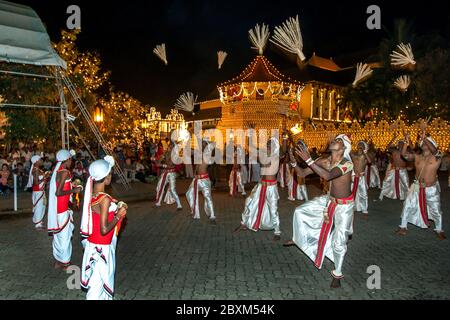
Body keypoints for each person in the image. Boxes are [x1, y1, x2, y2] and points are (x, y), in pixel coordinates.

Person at [284, 134, 354, 288]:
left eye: (338, 140)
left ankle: (337, 273)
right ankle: (299, 239)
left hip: (344, 206)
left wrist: (309, 160)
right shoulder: (323, 161)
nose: (334, 140)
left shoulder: (347, 164)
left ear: (344, 147)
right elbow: (302, 174)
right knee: (300, 211)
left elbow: (328, 176)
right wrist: (294, 161)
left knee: (339, 240)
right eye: (334, 139)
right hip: (328, 200)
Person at [80, 156, 127, 300]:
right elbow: (104, 229)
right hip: (102, 246)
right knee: (97, 284)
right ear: (107, 178)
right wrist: (118, 215)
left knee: (96, 282)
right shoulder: (104, 199)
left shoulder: (92, 194)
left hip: (93, 244)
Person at [396, 131, 445, 240]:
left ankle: (439, 229)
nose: (422, 143)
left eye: (425, 142)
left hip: (431, 189)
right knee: (407, 205)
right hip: (416, 187)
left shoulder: (437, 156)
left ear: (430, 144)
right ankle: (403, 226)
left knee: (435, 210)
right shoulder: (417, 156)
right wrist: (406, 140)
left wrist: (425, 138)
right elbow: (403, 155)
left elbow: (435, 151)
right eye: (422, 141)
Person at [235, 137, 283, 241]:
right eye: (268, 146)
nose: (268, 148)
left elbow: (266, 163)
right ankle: (244, 223)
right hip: (261, 185)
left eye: (271, 146)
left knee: (273, 209)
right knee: (249, 201)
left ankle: (277, 231)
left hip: (271, 187)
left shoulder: (275, 157)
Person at [47, 149, 82, 270]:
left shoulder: (59, 171)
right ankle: (65, 262)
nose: (71, 161)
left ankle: (58, 261)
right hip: (62, 209)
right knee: (64, 236)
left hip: (60, 208)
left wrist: (71, 186)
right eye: (70, 159)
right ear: (66, 160)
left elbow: (61, 187)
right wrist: (74, 190)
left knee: (59, 236)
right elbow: (59, 192)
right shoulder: (64, 172)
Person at [186, 138, 216, 223]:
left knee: (208, 197)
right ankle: (194, 211)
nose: (202, 145)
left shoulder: (208, 153)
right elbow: (197, 166)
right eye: (201, 144)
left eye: (203, 144)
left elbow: (214, 143)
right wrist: (195, 175)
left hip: (204, 180)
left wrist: (208, 141)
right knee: (189, 193)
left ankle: (212, 215)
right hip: (196, 179)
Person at [379, 136, 410, 201]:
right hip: (393, 169)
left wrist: (407, 140)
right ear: (397, 145)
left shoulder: (406, 152)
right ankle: (383, 193)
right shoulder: (394, 151)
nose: (400, 144)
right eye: (399, 143)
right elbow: (387, 148)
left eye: (402, 143)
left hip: (402, 171)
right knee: (387, 181)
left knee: (405, 184)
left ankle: (408, 198)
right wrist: (393, 139)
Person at [154, 141, 182, 210]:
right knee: (159, 186)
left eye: (172, 147)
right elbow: (158, 163)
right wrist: (155, 159)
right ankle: (158, 202)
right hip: (165, 173)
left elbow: (170, 164)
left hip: (172, 174)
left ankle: (179, 204)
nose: (170, 148)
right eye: (170, 146)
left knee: (172, 189)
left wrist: (162, 164)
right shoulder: (165, 153)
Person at [26, 155, 50, 230]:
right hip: (38, 191)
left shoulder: (37, 169)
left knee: (42, 206)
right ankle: (37, 224)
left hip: (40, 191)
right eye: (40, 160)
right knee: (39, 207)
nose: (41, 161)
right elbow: (36, 183)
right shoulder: (35, 170)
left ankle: (39, 222)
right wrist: (45, 177)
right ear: (36, 161)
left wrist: (45, 176)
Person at [351, 141, 371, 217]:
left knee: (363, 194)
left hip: (361, 177)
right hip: (353, 176)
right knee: (351, 192)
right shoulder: (353, 154)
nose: (360, 145)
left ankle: (364, 210)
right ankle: (351, 207)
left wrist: (365, 152)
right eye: (359, 144)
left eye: (362, 145)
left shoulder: (365, 156)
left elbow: (369, 161)